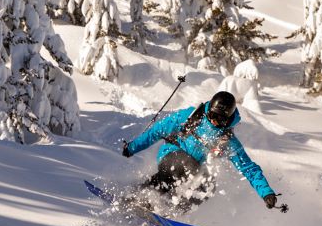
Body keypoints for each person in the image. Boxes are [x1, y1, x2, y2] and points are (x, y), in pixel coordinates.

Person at [121, 91, 286, 214]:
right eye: (212, 115)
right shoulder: (192, 117)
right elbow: (157, 131)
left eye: (220, 119)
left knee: (209, 186)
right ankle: (140, 196)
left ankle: (173, 211)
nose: (214, 121)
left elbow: (248, 168)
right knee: (181, 167)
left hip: (194, 167)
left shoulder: (227, 140)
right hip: (172, 153)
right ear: (209, 110)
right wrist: (132, 147)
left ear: (228, 119)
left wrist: (266, 193)